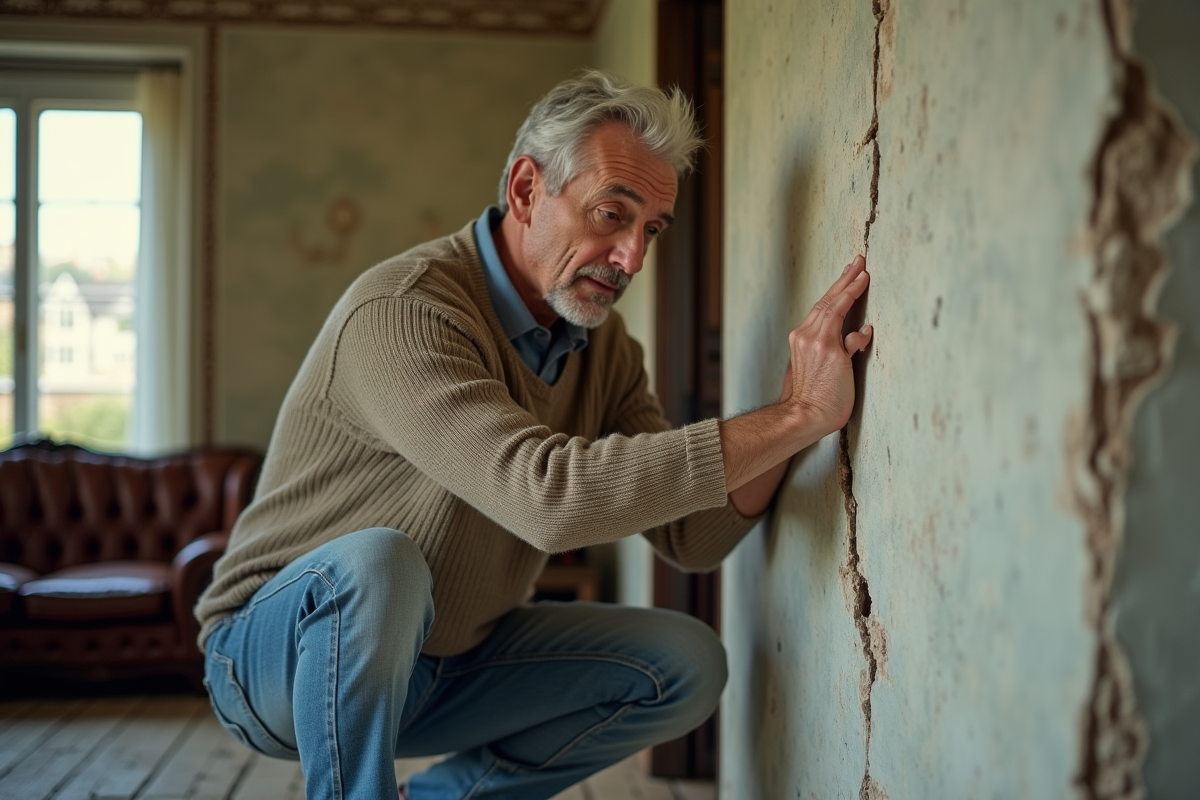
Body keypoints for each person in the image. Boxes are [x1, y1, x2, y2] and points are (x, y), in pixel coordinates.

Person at [195, 69, 873, 800]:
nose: (632, 259)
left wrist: (791, 411)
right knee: (379, 564)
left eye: (650, 229)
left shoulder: (605, 353)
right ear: (525, 190)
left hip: (446, 665)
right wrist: (798, 415)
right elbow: (547, 499)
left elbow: (696, 538)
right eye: (611, 214)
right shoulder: (402, 311)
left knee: (685, 663)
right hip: (276, 660)